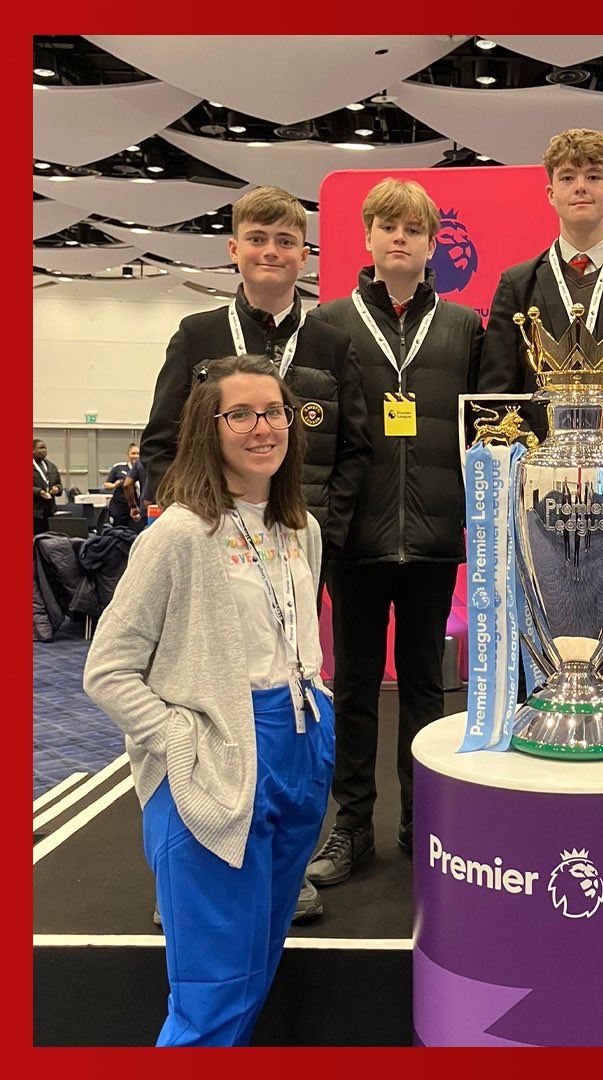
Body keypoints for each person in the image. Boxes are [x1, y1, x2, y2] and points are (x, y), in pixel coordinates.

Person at [83, 354, 335, 1046]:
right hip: (213, 762)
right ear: (209, 427)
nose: (263, 428)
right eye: (242, 414)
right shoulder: (178, 535)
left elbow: (288, 637)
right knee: (213, 994)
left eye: (274, 411)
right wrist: (180, 742)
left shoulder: (301, 529)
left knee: (255, 970)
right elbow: (106, 670)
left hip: (296, 750)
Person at [138, 185, 371, 919]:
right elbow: (159, 443)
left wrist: (317, 528)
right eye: (258, 239)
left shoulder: (333, 340)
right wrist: (194, 528)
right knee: (207, 700)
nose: (272, 253)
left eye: (286, 242)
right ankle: (188, 869)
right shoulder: (197, 331)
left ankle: (281, 864)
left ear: (305, 256)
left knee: (287, 701)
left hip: (296, 554)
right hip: (213, 557)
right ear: (234, 249)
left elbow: (358, 446)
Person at [304, 177, 483, 883]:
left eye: (413, 228)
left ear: (433, 242)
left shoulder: (467, 328)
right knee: (351, 684)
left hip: (434, 536)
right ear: (369, 238)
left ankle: (423, 819)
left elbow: (488, 432)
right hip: (351, 539)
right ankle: (351, 826)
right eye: (387, 226)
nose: (399, 237)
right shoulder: (329, 325)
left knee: (422, 687)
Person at [477, 127, 603, 396]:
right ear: (551, 194)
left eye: (594, 176)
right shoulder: (516, 286)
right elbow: (497, 394)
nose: (580, 186)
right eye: (567, 177)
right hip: (535, 439)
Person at [103, 443, 142, 529]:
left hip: (137, 508)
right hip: (119, 508)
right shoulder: (119, 468)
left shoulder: (143, 469)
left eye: (138, 453)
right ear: (128, 455)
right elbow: (106, 485)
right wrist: (115, 485)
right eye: (133, 453)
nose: (136, 456)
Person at [33, 439, 64, 535]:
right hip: (34, 512)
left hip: (49, 511)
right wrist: (39, 492)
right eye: (41, 448)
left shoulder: (51, 466)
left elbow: (59, 484)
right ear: (32, 450)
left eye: (45, 448)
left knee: (48, 540)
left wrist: (57, 489)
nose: (44, 450)